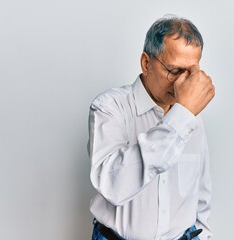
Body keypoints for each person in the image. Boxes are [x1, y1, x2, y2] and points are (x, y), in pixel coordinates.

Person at [88, 15, 215, 240]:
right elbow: (114, 187)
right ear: (146, 63)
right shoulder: (109, 107)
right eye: (174, 71)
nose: (181, 84)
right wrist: (181, 117)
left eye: (190, 73)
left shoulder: (193, 119)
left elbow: (201, 195)